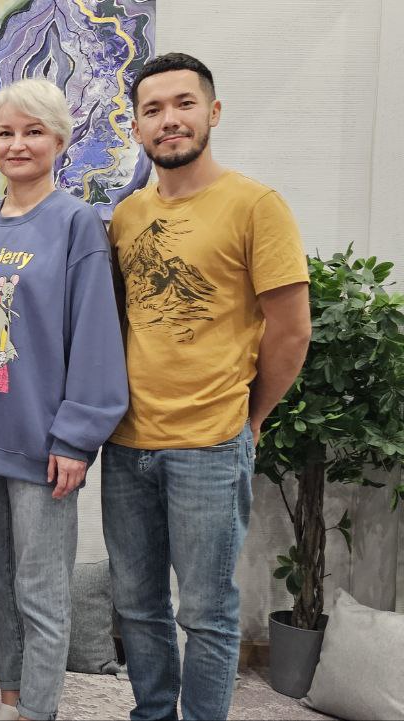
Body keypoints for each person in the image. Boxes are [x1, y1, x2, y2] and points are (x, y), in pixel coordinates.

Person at [104, 53, 310, 721]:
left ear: (212, 112)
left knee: (208, 612)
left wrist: (253, 416)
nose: (169, 120)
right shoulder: (126, 216)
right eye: (153, 109)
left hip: (210, 445)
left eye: (183, 104)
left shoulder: (256, 205)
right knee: (136, 605)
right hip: (125, 444)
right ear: (136, 126)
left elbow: (291, 331)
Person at [0, 77, 129, 721]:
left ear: (59, 140)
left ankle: (38, 711)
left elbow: (97, 336)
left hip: (44, 442)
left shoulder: (76, 223)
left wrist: (77, 437)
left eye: (33, 132)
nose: (17, 144)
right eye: (5, 132)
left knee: (41, 593)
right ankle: (10, 700)